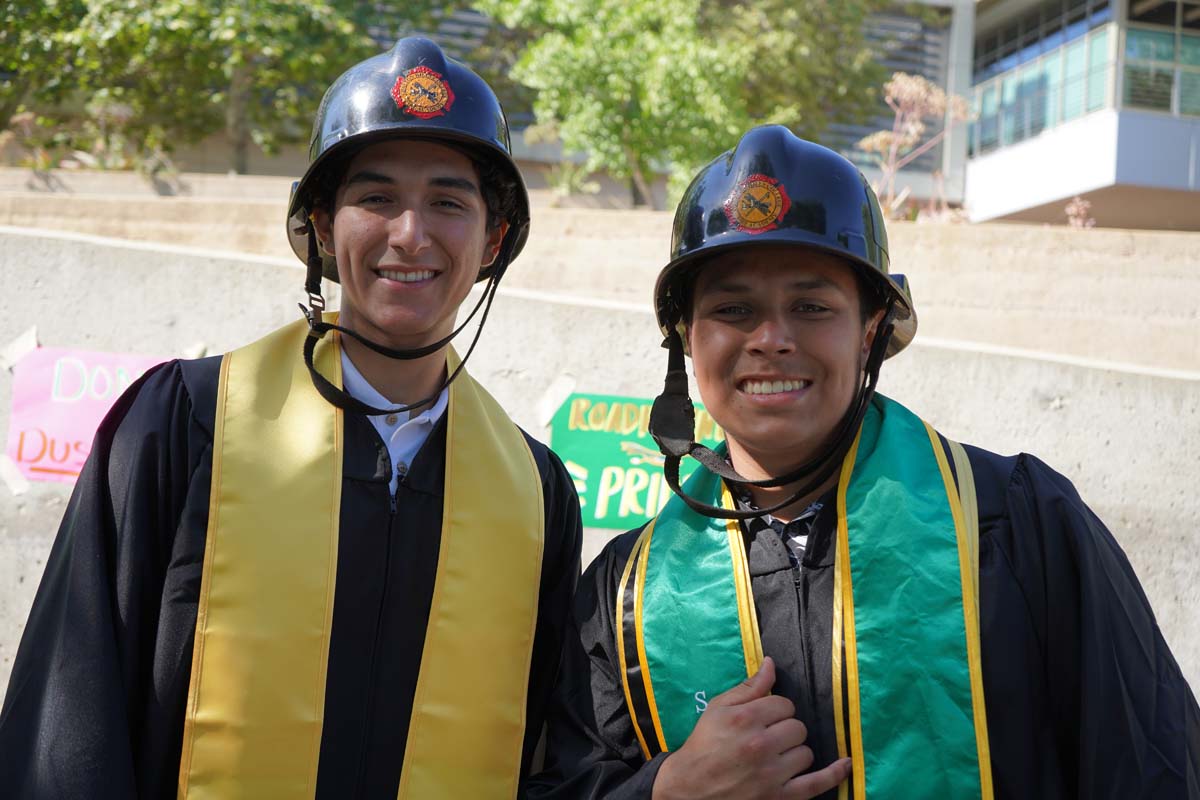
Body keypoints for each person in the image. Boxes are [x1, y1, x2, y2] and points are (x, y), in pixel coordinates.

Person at [527, 125, 1199, 799]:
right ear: (687, 340)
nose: (771, 339)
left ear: (872, 329)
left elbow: (1154, 768)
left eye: (812, 306)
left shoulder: (1016, 525)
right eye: (733, 308)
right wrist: (666, 790)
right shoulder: (627, 597)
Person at [0, 37, 581, 799]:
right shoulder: (185, 424)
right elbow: (71, 724)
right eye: (375, 198)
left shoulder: (534, 492)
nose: (411, 234)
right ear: (321, 223)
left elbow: (544, 756)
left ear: (493, 240)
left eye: (449, 201)